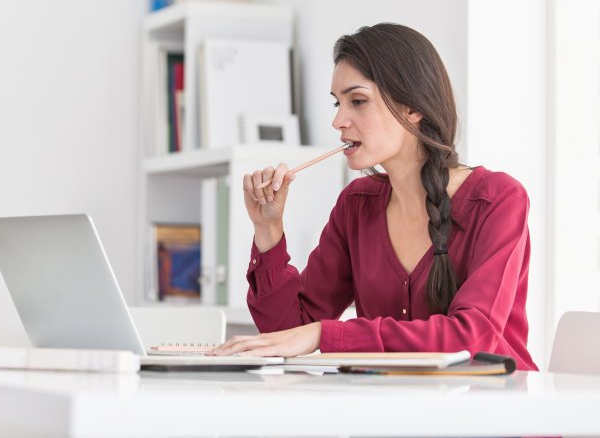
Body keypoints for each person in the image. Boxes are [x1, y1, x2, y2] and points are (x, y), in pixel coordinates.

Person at [209, 23, 537, 371]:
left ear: (412, 107)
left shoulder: (498, 201)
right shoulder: (357, 205)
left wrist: (326, 335)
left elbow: (471, 337)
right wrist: (268, 230)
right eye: (338, 103)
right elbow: (286, 334)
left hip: (492, 417)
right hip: (393, 417)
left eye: (358, 101)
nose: (338, 121)